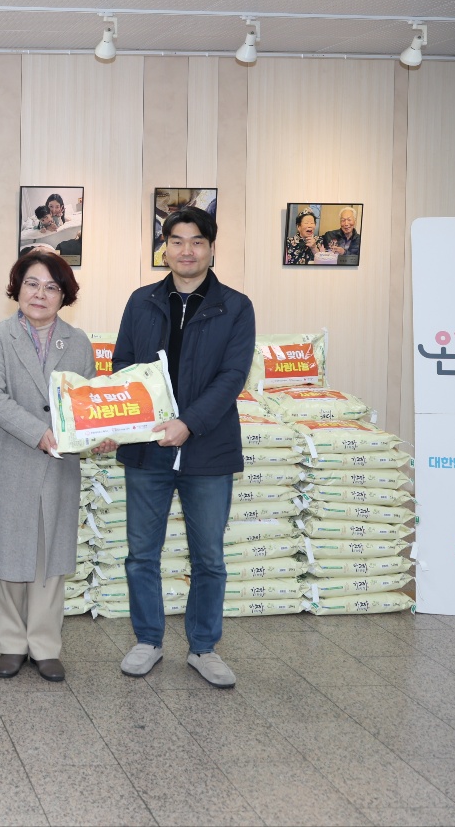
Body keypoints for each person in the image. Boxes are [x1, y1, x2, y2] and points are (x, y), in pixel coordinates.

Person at [112, 206, 255, 688]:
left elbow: (232, 376)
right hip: (147, 447)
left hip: (208, 449)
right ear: (165, 248)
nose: (186, 250)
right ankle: (148, 640)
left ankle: (203, 647)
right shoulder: (141, 301)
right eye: (176, 241)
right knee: (141, 553)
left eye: (196, 241)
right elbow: (123, 365)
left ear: (211, 248)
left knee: (208, 557)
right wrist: (131, 419)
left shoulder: (235, 306)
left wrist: (188, 424)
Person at [0, 249, 111, 682]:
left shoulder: (78, 341)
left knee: (49, 556)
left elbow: (86, 401)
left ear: (64, 295)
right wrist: (37, 431)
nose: (40, 294)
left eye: (52, 287)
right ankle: (11, 644)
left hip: (58, 466)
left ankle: (45, 646)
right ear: (17, 287)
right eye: (32, 283)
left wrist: (100, 433)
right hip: (8, 458)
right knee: (6, 552)